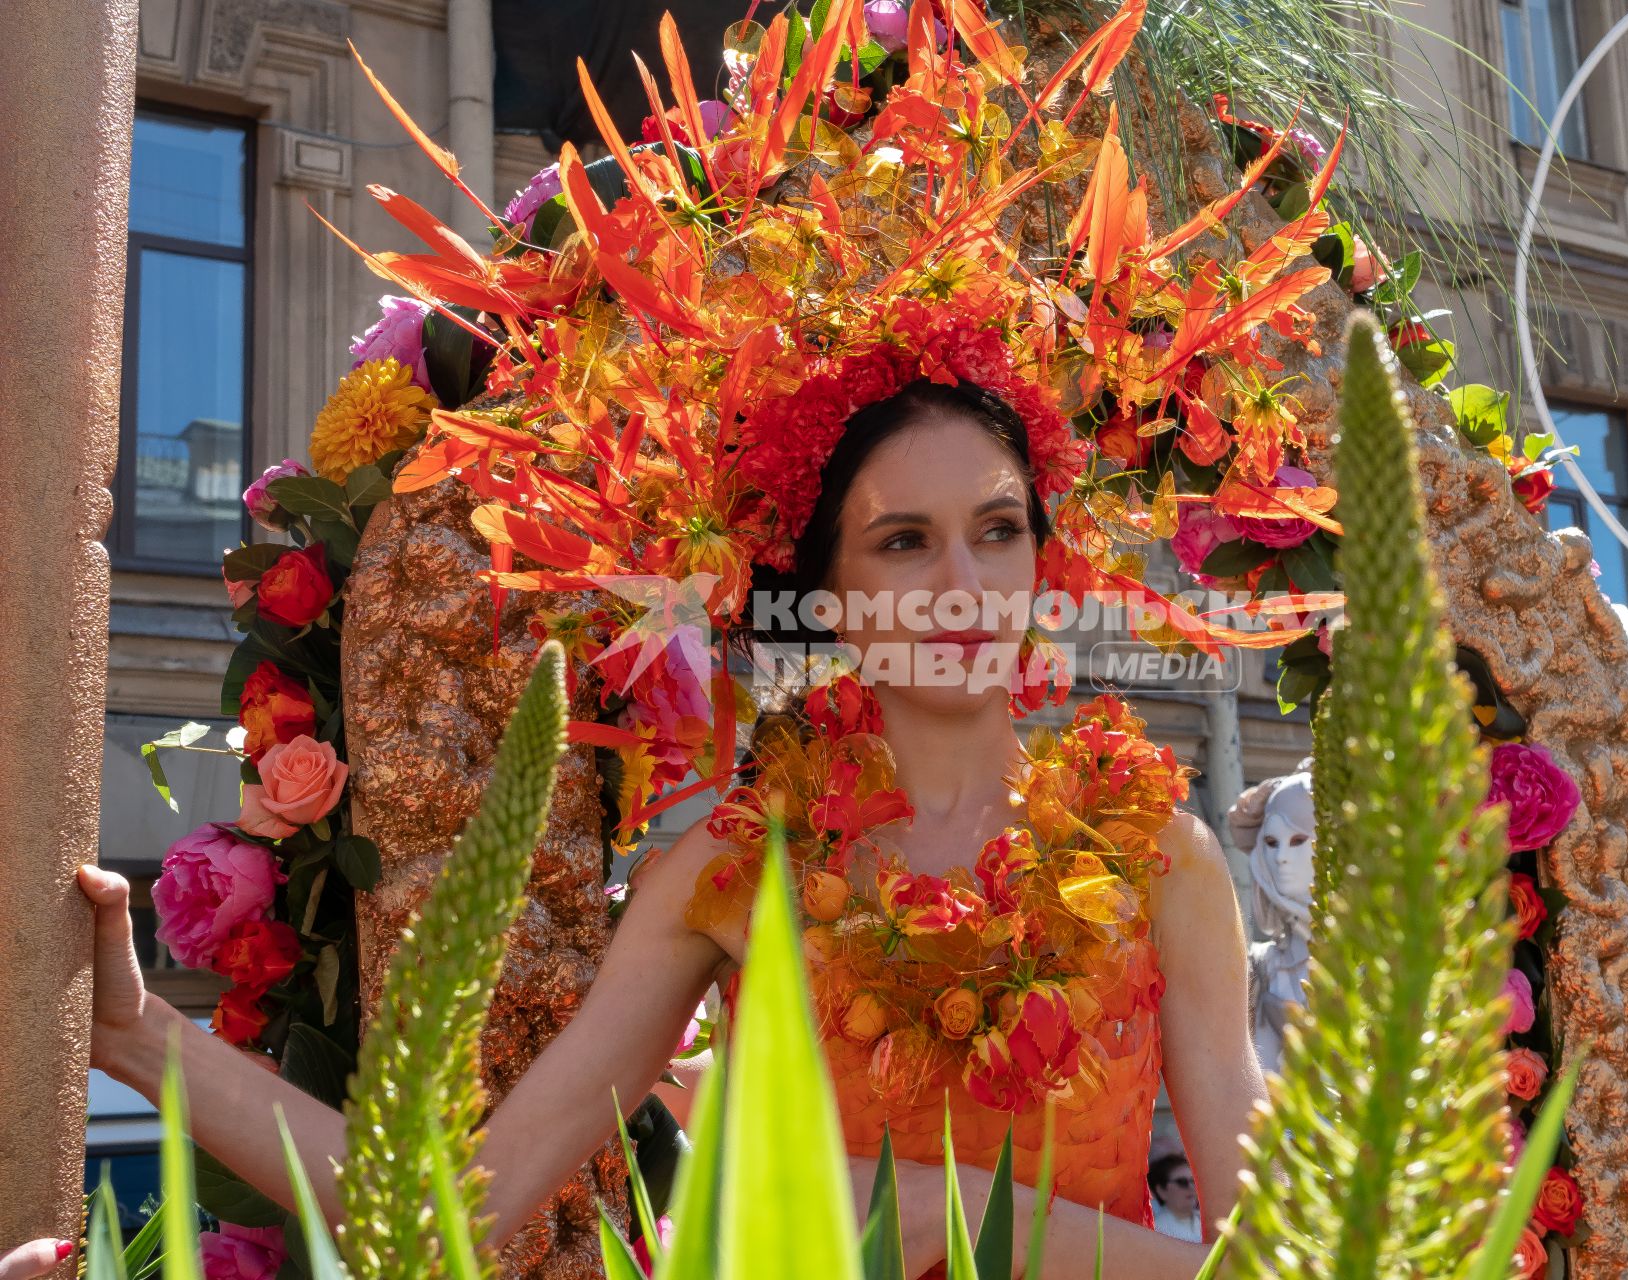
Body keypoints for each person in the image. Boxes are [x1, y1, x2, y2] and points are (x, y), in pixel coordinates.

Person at [80, 379, 1263, 1278]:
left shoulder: (1163, 852)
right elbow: (452, 1209)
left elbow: (1277, 1248)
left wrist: (989, 1226)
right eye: (904, 540)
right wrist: (134, 1036)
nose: (963, 581)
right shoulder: (737, 869)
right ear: (828, 593)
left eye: (998, 529)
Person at [1146, 1155, 1202, 1243]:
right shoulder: (1156, 1230)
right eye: (1182, 1182)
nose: (1191, 1187)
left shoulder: (1210, 1221)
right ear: (1161, 1190)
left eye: (1194, 1181)